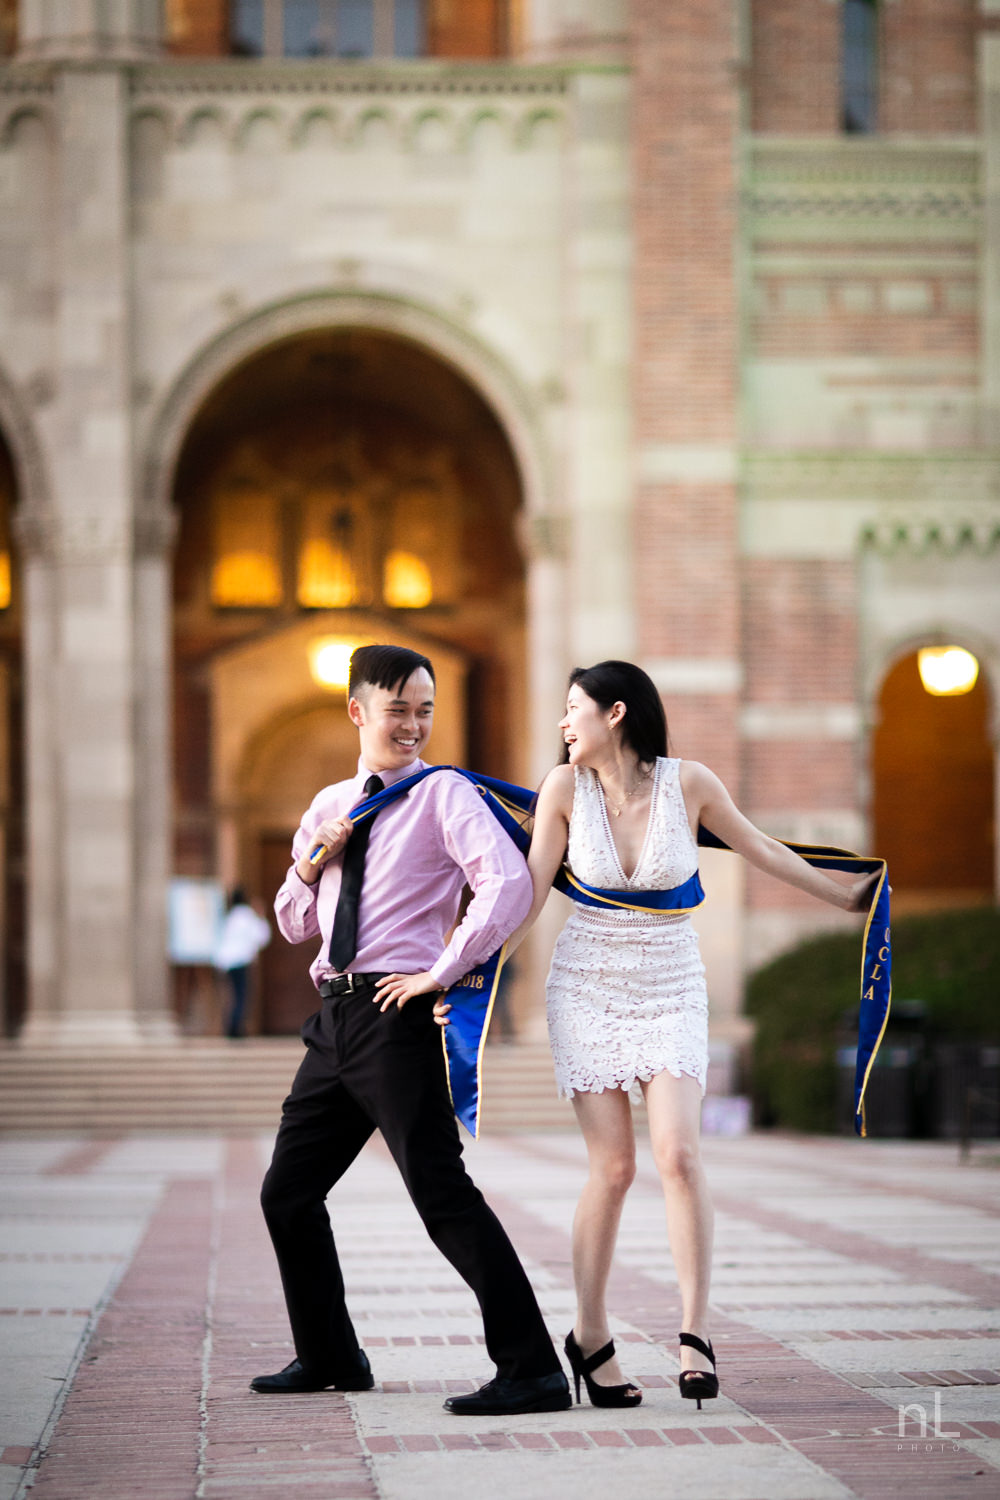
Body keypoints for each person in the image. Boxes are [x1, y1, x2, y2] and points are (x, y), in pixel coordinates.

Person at [436, 660, 880, 1410]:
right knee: (612, 1170)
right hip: (585, 984)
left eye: (571, 709)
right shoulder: (561, 791)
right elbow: (526, 896)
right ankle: (589, 1335)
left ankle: (694, 1331)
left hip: (672, 983)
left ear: (615, 713)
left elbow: (760, 848)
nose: (561, 724)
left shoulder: (691, 783)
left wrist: (846, 896)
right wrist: (458, 974)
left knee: (678, 1153)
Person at [253, 643, 570, 1417]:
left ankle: (531, 1368)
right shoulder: (330, 805)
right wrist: (309, 865)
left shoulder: (444, 795)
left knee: (439, 1191)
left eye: (424, 710)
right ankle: (330, 1356)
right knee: (287, 1193)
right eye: (398, 709)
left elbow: (508, 883)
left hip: (397, 1016)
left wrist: (443, 969)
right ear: (358, 710)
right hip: (334, 1019)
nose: (413, 725)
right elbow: (294, 926)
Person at [213, 887, 271, 1038]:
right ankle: (237, 1028)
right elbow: (261, 937)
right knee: (241, 995)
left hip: (226, 962)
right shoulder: (248, 916)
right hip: (241, 960)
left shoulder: (229, 917)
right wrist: (261, 917)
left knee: (231, 995)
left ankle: (230, 1025)